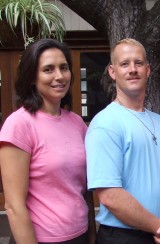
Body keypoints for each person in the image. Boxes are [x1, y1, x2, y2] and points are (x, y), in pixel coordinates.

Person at [85, 38, 160, 244]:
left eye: (138, 63)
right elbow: (110, 196)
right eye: (124, 64)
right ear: (113, 72)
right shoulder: (105, 123)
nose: (132, 69)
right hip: (123, 237)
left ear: (148, 70)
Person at [0, 39, 95, 244]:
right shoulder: (19, 124)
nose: (59, 76)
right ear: (32, 77)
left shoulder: (77, 123)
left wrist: (92, 235)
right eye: (48, 69)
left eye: (64, 68)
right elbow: (14, 206)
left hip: (80, 234)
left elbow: (84, 187)